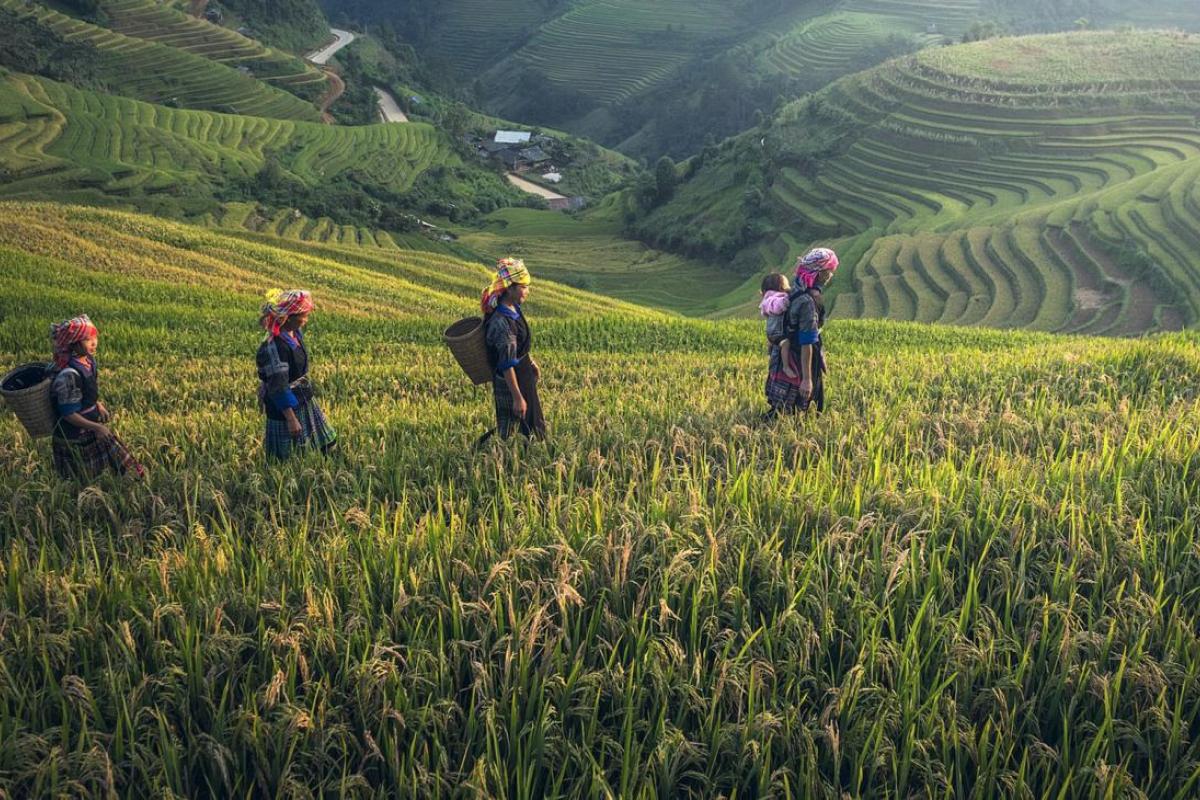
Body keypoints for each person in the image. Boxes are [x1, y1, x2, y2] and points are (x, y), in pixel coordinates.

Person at [48, 314, 146, 481]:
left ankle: (132, 484)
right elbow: (68, 413)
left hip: (90, 424)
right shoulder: (69, 375)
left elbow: (86, 392)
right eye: (87, 339)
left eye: (95, 337)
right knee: (82, 478)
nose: (94, 343)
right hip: (74, 434)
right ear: (74, 343)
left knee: (119, 464)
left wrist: (97, 405)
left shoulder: (89, 361)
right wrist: (97, 427)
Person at [256, 289, 337, 461]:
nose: (306, 320)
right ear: (289, 318)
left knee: (328, 444)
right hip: (284, 408)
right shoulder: (275, 347)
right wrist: (291, 419)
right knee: (284, 459)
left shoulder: (294, 334)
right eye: (304, 316)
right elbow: (278, 386)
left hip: (304, 398)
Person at [480, 258, 546, 443]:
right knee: (510, 428)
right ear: (510, 288)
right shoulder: (501, 322)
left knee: (533, 425)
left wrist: (529, 361)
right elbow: (506, 363)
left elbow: (518, 345)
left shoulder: (513, 307)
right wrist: (517, 397)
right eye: (523, 287)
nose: (527, 291)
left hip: (523, 373)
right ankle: (491, 455)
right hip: (512, 380)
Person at [761, 272, 802, 417]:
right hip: (777, 334)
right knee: (785, 344)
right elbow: (779, 306)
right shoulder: (775, 298)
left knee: (776, 349)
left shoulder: (768, 298)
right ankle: (786, 366)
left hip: (772, 334)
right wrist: (788, 298)